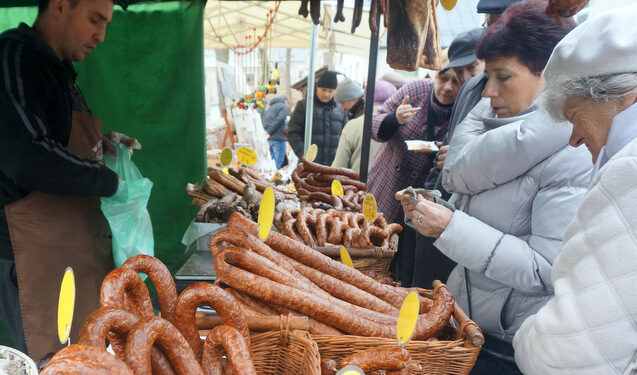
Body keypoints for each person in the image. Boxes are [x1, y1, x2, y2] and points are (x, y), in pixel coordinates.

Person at [397, 1, 590, 373]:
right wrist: (446, 211)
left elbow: (545, 270)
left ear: (551, 75)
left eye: (504, 77)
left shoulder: (573, 154)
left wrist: (450, 228)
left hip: (513, 346)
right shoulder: (498, 136)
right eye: (488, 77)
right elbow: (495, 224)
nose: (487, 93)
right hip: (470, 323)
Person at [0, 0, 135, 357]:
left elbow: (60, 141)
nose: (101, 36)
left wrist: (102, 148)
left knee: (89, 358)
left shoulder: (61, 71)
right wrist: (109, 182)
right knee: (55, 361)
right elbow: (26, 154)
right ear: (60, 5)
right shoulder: (14, 58)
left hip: (76, 250)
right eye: (95, 20)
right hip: (35, 258)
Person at [513, 5, 637, 373]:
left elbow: (562, 355)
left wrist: (526, 336)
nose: (574, 139)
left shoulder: (628, 172)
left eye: (575, 116)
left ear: (620, 96)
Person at [367, 58, 461, 286]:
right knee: (375, 248)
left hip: (421, 198)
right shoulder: (416, 90)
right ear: (434, 76)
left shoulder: (462, 109)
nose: (448, 87)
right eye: (443, 78)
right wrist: (395, 119)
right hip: (387, 185)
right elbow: (373, 125)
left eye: (456, 82)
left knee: (407, 260)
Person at [405, 27, 486, 290]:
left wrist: (463, 157)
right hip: (439, 205)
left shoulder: (498, 94)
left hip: (463, 220)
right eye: (459, 71)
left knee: (443, 292)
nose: (464, 77)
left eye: (471, 68)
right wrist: (429, 191)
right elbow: (448, 146)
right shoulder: (469, 90)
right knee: (422, 287)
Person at [332, 80, 396, 174]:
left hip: (358, 187)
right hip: (395, 188)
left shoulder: (352, 126)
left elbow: (338, 167)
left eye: (343, 103)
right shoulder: (403, 127)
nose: (342, 108)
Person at [287, 70, 348, 165]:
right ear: (317, 88)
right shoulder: (304, 106)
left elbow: (345, 135)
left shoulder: (341, 108)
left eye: (330, 91)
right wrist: (303, 154)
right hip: (309, 165)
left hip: (333, 166)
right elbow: (293, 133)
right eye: (323, 90)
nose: (326, 94)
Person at [263, 95, 288, 169]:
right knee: (278, 161)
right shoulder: (283, 106)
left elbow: (265, 122)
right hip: (278, 137)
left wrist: (268, 132)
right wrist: (269, 132)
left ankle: (271, 177)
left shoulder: (269, 108)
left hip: (270, 139)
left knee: (272, 161)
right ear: (285, 101)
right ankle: (275, 178)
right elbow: (280, 119)